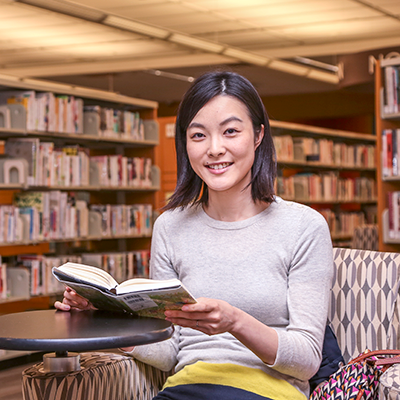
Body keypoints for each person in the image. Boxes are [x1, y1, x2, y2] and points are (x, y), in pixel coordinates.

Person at [55, 70, 333, 400]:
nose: (215, 149)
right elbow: (171, 351)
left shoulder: (303, 227)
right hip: (185, 389)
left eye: (231, 131)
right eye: (199, 135)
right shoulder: (170, 227)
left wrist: (235, 322)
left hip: (267, 392)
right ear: (184, 142)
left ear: (258, 135)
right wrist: (103, 323)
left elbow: (306, 360)